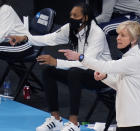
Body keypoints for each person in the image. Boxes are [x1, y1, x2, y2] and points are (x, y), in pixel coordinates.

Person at [9, 2, 112, 131]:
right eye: (71, 15)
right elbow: (49, 38)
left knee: (75, 72)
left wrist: (56, 62)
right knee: (48, 71)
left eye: (75, 15)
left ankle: (74, 124)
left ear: (85, 18)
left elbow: (86, 64)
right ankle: (56, 119)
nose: (71, 18)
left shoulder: (97, 34)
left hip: (103, 77)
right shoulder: (70, 28)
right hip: (82, 73)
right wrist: (25, 38)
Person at [59, 21, 140, 131]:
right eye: (118, 34)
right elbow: (120, 85)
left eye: (123, 35)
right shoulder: (129, 57)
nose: (118, 38)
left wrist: (80, 57)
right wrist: (105, 77)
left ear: (134, 40)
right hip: (127, 119)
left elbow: (105, 66)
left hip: (135, 120)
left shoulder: (133, 59)